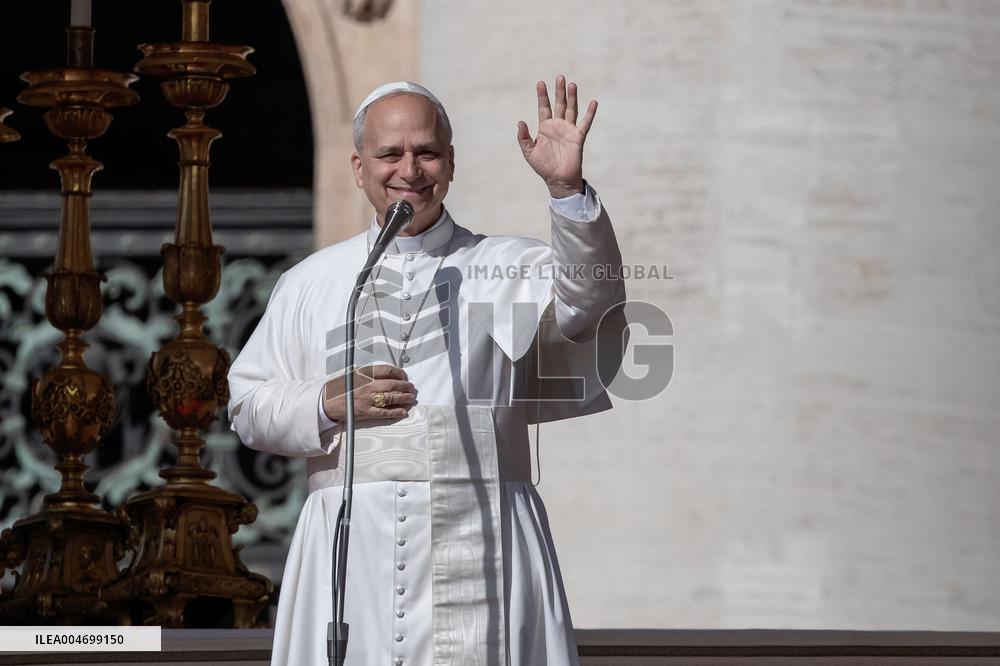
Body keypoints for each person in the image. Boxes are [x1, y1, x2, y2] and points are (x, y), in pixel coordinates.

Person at [228, 76, 626, 666]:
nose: (409, 170)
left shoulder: (506, 265)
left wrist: (567, 192)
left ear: (451, 162)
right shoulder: (314, 281)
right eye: (390, 154)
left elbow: (590, 304)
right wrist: (324, 404)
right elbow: (247, 407)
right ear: (359, 167)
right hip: (351, 546)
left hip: (486, 530)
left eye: (427, 152)